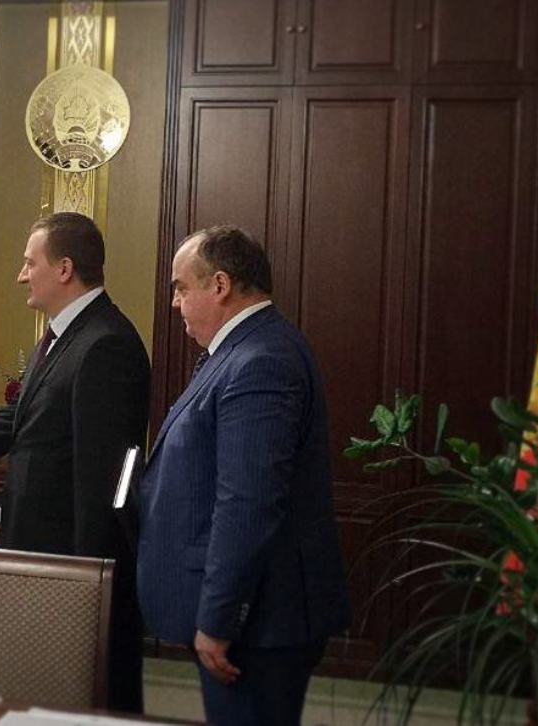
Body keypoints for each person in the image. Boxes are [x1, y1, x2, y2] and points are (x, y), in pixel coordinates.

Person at [0, 212, 150, 712]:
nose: (21, 275)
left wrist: (89, 586)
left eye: (29, 263)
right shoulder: (67, 335)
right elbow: (16, 419)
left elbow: (107, 482)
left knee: (79, 706)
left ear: (64, 269)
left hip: (68, 568)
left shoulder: (105, 344)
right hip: (42, 557)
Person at [138, 225, 350, 725]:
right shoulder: (243, 350)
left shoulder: (261, 360)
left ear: (220, 285)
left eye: (181, 287)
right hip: (254, 619)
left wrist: (218, 618)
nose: (174, 303)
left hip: (258, 624)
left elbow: (248, 503)